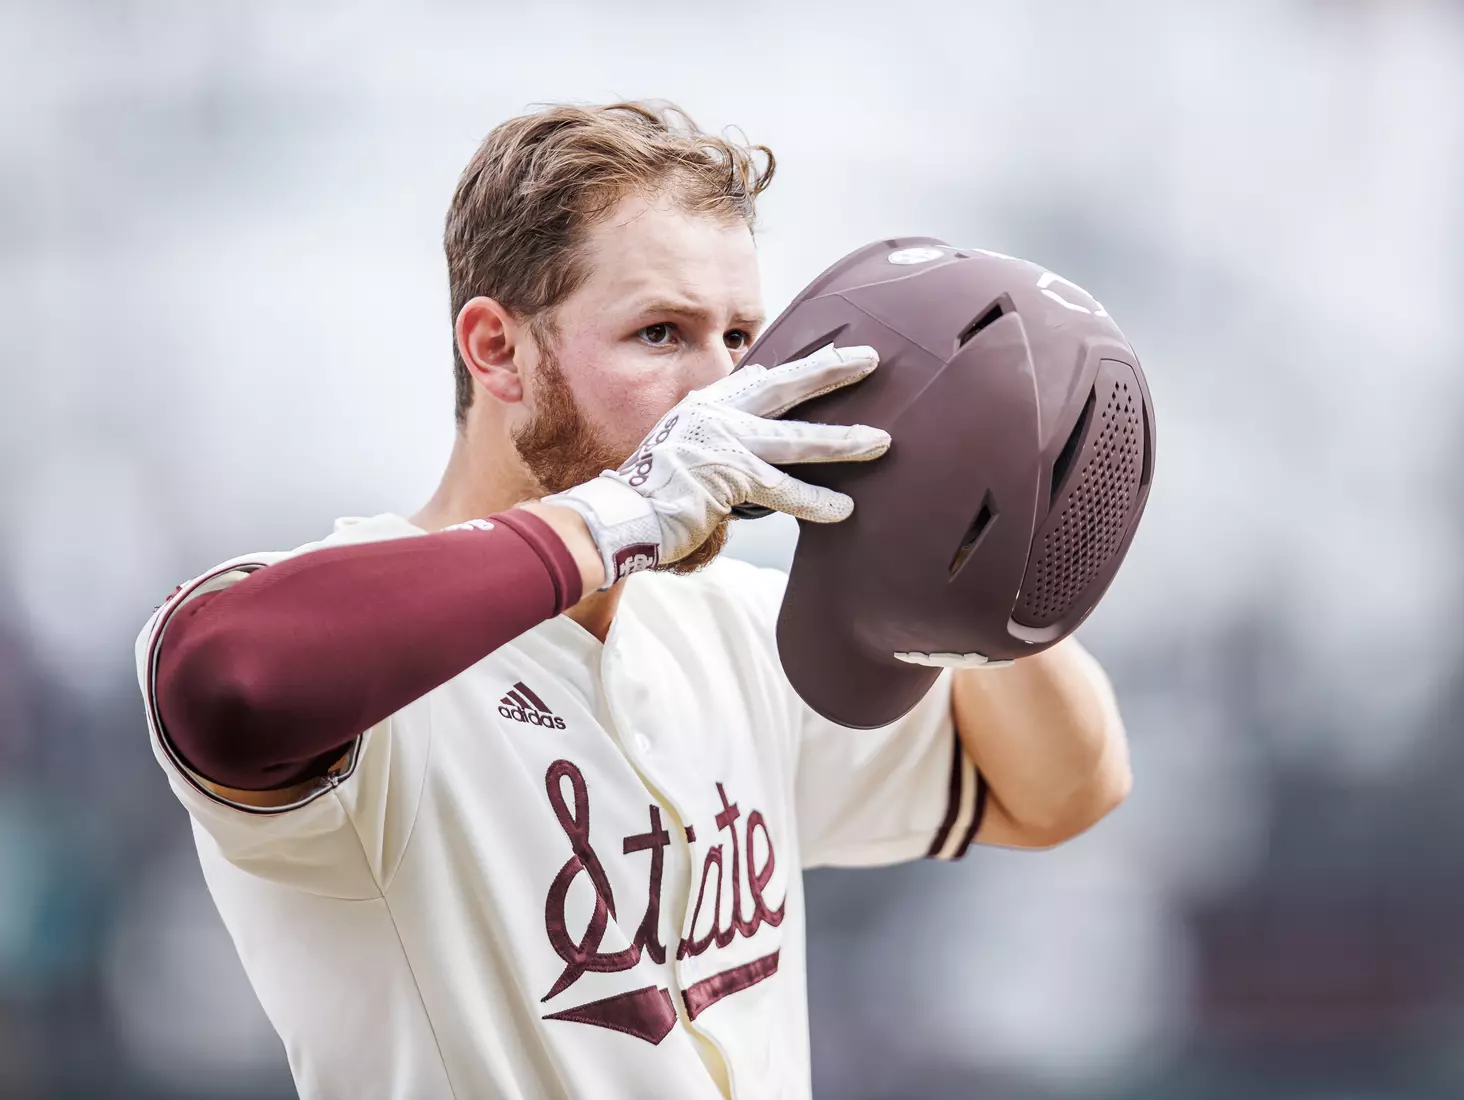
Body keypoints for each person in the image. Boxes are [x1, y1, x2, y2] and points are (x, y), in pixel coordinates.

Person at [135, 101, 1133, 1099]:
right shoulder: (366, 649)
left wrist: (959, 529)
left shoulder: (732, 626)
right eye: (661, 332)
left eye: (742, 337)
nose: (719, 389)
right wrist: (622, 513)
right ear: (496, 350)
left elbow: (1061, 787)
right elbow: (230, 679)